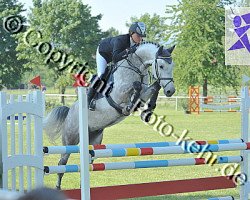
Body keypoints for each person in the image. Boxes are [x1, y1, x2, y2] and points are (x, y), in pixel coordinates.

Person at [88, 22, 147, 110]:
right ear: (131, 33)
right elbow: (115, 58)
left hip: (116, 55)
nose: (140, 38)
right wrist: (129, 50)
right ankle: (89, 100)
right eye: (138, 35)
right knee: (101, 73)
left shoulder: (139, 43)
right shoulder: (121, 40)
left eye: (142, 36)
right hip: (103, 53)